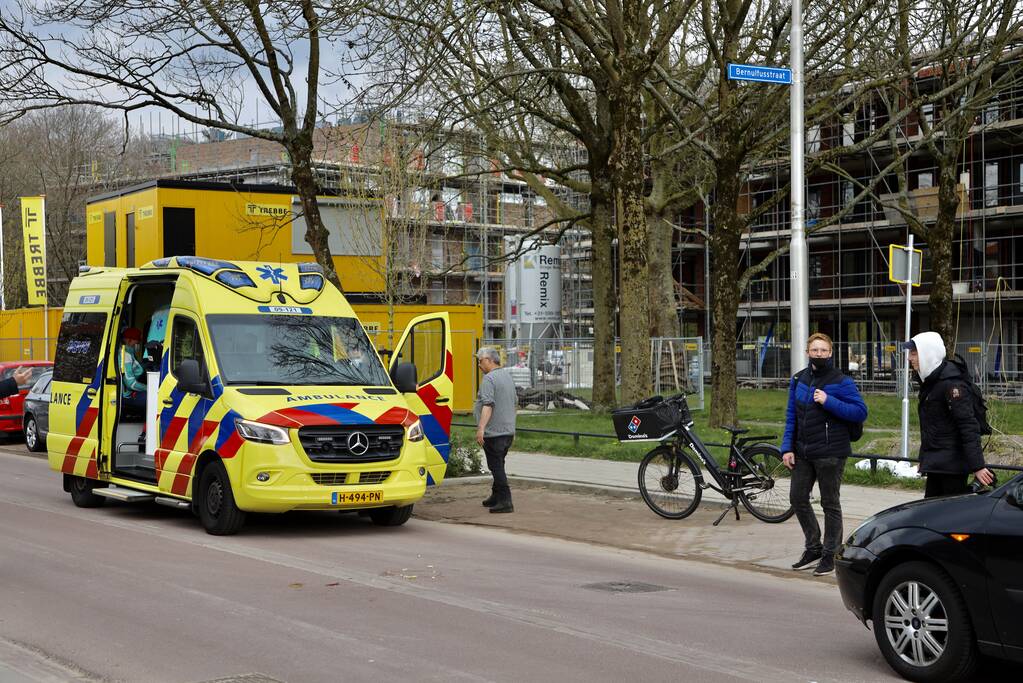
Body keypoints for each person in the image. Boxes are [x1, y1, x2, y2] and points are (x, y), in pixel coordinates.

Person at [781, 332, 868, 577]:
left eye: (824, 350)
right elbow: (791, 416)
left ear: (830, 353)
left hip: (831, 453)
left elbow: (860, 412)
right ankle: (813, 547)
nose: (819, 354)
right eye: (815, 350)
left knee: (830, 503)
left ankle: (830, 554)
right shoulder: (799, 379)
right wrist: (787, 448)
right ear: (807, 352)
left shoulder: (841, 381)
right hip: (803, 451)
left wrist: (829, 400)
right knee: (797, 498)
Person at [905, 332, 995, 498]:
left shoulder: (952, 385)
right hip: (937, 464)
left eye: (914, 353)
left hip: (951, 467)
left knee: (948, 518)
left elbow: (968, 425)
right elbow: (932, 427)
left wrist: (978, 466)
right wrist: (924, 459)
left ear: (928, 353)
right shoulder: (931, 382)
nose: (910, 358)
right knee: (931, 516)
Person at [474, 347, 517, 514]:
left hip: (494, 432)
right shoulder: (507, 376)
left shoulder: (489, 379)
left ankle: (506, 501)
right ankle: (496, 496)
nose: (479, 364)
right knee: (498, 464)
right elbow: (514, 404)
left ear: (490, 360)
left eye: (481, 360)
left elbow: (488, 404)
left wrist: (481, 428)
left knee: (496, 466)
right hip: (507, 431)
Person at [119, 327, 147, 412]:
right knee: (155, 398)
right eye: (136, 343)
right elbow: (130, 383)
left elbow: (135, 367)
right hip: (126, 396)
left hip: (129, 392)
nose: (137, 345)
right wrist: (149, 388)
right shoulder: (125, 355)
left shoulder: (129, 352)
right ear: (129, 340)